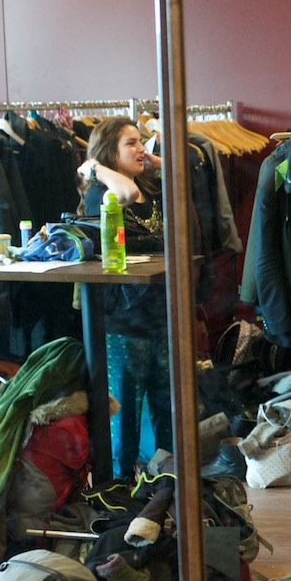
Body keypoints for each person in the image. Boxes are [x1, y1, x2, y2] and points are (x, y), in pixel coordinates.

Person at [80, 116, 171, 478]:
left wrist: (156, 161)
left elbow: (187, 178)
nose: (141, 148)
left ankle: (166, 482)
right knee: (125, 414)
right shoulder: (102, 193)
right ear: (108, 152)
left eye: (141, 141)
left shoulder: (150, 186)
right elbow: (126, 195)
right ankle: (120, 488)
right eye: (130, 143)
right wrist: (97, 168)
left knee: (167, 409)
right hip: (123, 320)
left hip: (159, 314)